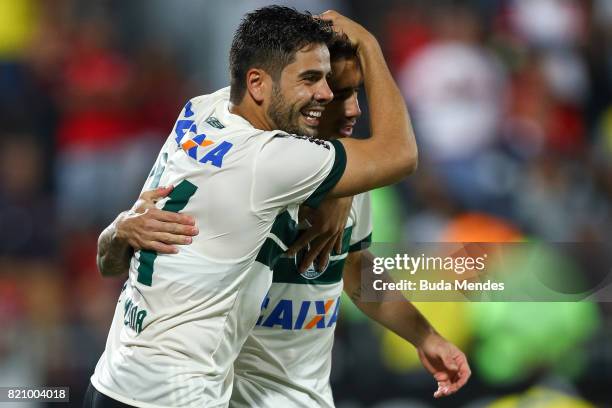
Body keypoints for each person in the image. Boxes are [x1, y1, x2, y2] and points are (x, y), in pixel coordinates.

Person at [105, 23, 469, 408]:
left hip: (305, 397)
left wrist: (425, 336)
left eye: (354, 93)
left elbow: (356, 269)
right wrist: (370, 44)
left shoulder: (348, 174)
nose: (351, 107)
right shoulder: (262, 161)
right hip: (228, 396)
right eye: (333, 91)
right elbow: (399, 155)